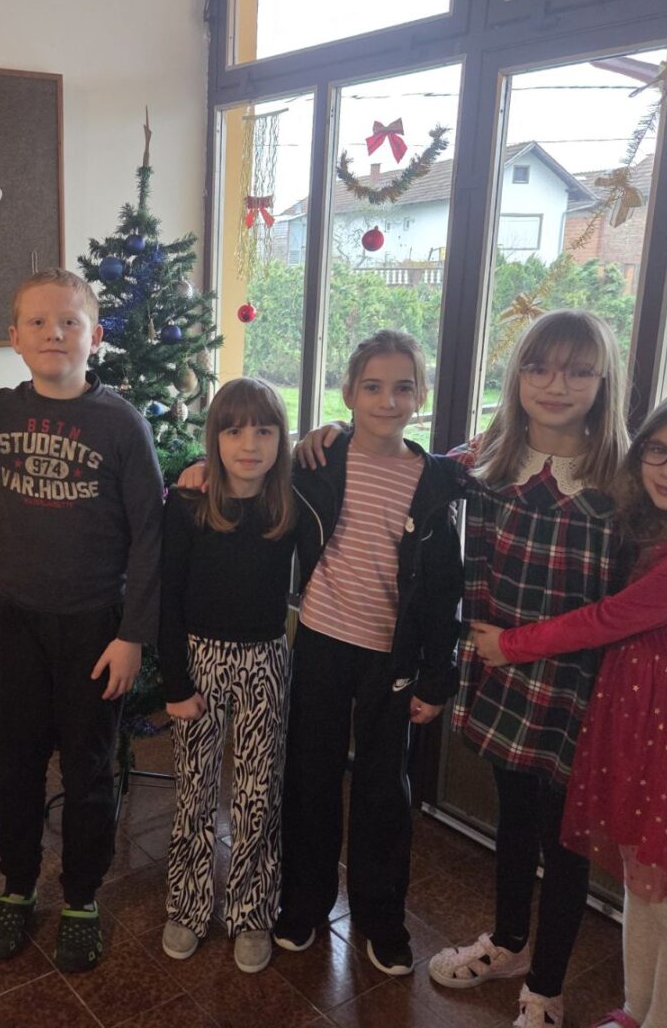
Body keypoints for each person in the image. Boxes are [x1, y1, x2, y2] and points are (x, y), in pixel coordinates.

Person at [292, 312, 667, 1028]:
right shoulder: (486, 459)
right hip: (504, 677)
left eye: (578, 371)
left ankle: (547, 988)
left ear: (604, 381)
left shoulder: (627, 481)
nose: (556, 385)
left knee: (564, 845)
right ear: (517, 377)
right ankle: (508, 942)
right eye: (539, 367)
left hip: (583, 692)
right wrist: (329, 432)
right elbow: (397, 455)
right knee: (513, 823)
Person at [470, 381, 667, 1028]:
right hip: (646, 731)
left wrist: (509, 646)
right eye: (658, 450)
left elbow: (611, 617)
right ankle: (635, 1012)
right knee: (644, 892)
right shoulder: (666, 523)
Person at [175, 331, 466, 975]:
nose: (387, 401)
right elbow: (251, 460)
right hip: (321, 646)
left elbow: (446, 588)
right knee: (309, 778)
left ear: (421, 395)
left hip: (392, 660)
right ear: (349, 394)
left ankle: (380, 918)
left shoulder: (434, 483)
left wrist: (437, 676)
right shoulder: (317, 464)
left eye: (403, 388)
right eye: (372, 387)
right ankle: (303, 903)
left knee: (384, 790)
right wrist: (201, 468)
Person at [0, 267, 163, 973]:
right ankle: (17, 885)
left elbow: (150, 535)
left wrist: (132, 635)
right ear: (14, 338)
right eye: (39, 323)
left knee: (89, 770)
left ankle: (80, 896)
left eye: (69, 322)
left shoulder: (122, 424)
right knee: (12, 768)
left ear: (95, 336)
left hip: (95, 629)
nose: (54, 333)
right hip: (16, 622)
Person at [158, 377, 300, 974]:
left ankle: (251, 911)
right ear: (214, 438)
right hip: (199, 660)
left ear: (280, 439)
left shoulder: (290, 505)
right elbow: (167, 597)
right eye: (234, 431)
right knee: (194, 792)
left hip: (266, 659)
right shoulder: (188, 505)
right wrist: (174, 685)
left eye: (264, 431)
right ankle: (188, 906)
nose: (249, 444)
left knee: (258, 795)